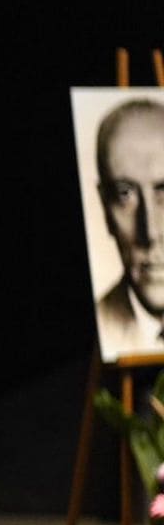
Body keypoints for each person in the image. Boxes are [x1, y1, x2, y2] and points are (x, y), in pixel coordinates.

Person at [91, 98, 164, 359]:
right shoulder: (104, 323)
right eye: (125, 194)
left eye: (163, 191)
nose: (151, 233)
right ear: (104, 206)